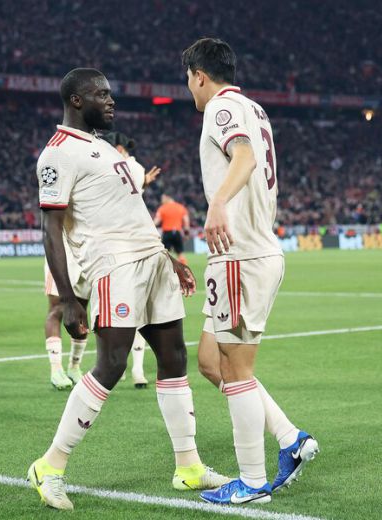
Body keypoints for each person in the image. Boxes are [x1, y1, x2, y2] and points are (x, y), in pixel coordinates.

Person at [27, 68, 229, 511]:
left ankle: (189, 466)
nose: (111, 100)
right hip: (114, 267)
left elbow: (132, 212)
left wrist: (168, 258)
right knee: (112, 364)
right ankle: (49, 466)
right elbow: (50, 228)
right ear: (76, 100)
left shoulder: (102, 146)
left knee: (174, 360)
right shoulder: (57, 153)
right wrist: (68, 299)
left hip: (152, 262)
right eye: (101, 94)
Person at [182, 38, 319, 505]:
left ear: (200, 76)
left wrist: (218, 202)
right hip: (245, 254)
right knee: (210, 361)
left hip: (241, 254)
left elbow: (243, 156)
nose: (189, 88)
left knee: (237, 370)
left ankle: (253, 481)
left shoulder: (220, 108)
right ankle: (290, 438)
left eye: (189, 79)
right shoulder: (254, 108)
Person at [103, 131, 162, 388]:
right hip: (137, 243)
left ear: (117, 148)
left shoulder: (109, 165)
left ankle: (119, 366)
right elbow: (132, 193)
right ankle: (136, 369)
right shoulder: (136, 169)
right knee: (138, 310)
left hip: (113, 246)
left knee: (115, 311)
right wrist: (145, 182)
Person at [42, 240, 90, 390]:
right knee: (57, 308)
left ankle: (74, 366)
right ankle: (56, 369)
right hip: (61, 251)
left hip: (87, 251)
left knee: (81, 310)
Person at [154, 194, 190, 265]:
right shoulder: (181, 207)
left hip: (167, 233)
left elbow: (156, 221)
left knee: (165, 254)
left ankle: (167, 268)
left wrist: (150, 228)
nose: (162, 200)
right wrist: (186, 234)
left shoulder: (162, 208)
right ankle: (185, 269)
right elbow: (186, 222)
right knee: (180, 253)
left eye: (162, 198)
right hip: (177, 233)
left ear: (167, 197)